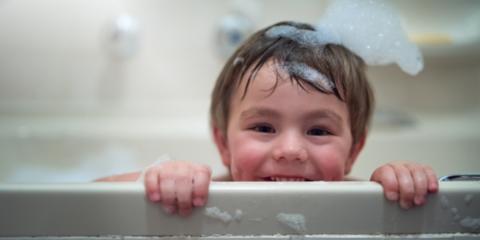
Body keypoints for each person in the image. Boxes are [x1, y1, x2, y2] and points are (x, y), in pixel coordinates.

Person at [96, 21, 438, 217]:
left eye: (318, 130)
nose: (290, 150)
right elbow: (85, 202)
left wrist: (398, 184)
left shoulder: (364, 199)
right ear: (222, 143)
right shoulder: (205, 195)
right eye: (263, 127)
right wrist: (156, 179)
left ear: (354, 151)